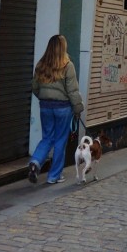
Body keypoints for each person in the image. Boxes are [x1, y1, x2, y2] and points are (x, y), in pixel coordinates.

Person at [28, 34, 85, 185]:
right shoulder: (67, 65)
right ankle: (54, 176)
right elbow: (72, 91)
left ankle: (35, 161)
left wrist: (43, 97)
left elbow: (34, 86)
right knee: (60, 140)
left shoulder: (41, 64)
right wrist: (78, 108)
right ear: (63, 48)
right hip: (62, 108)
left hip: (45, 107)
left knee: (47, 138)